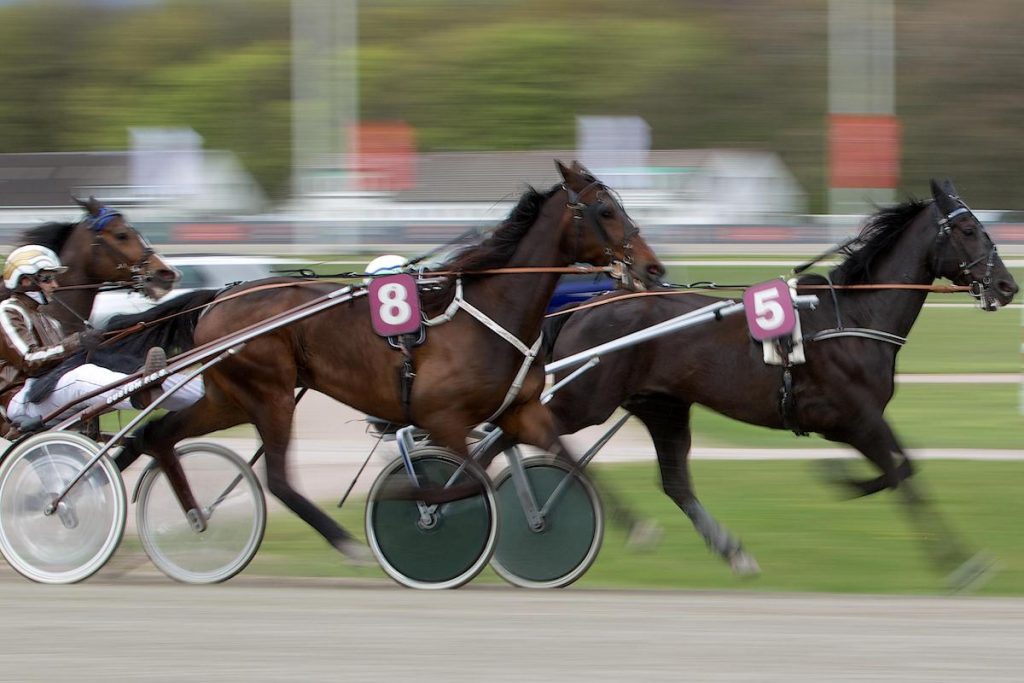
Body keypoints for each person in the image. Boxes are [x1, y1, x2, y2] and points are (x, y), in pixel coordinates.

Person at [0, 245, 203, 432]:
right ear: (25, 281)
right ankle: (139, 392)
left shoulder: (49, 321)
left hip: (48, 391)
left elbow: (61, 361)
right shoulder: (8, 311)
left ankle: (203, 394)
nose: (54, 284)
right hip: (24, 399)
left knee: (127, 371)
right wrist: (76, 342)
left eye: (53, 278)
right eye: (46, 279)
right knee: (81, 377)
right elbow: (29, 361)